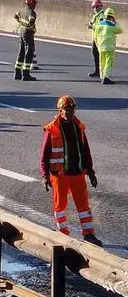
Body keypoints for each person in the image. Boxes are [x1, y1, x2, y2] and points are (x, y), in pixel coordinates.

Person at [39, 95, 102, 246]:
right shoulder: (51, 129)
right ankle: (63, 235)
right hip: (59, 175)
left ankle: (89, 234)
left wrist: (90, 171)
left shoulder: (78, 127)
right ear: (60, 111)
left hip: (78, 173)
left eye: (72, 109)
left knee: (84, 206)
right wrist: (45, 176)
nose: (71, 112)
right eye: (67, 110)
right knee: (60, 207)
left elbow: (85, 150)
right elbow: (44, 155)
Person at [94, 7, 122, 85]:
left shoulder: (99, 24)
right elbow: (120, 30)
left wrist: (97, 45)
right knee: (108, 63)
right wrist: (115, 22)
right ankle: (106, 77)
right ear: (112, 16)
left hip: (101, 47)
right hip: (109, 47)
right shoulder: (112, 25)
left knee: (101, 62)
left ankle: (102, 76)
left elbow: (95, 36)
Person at [13, 0, 38, 81]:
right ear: (32, 3)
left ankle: (17, 73)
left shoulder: (22, 10)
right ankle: (26, 74)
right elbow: (31, 20)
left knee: (21, 52)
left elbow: (15, 15)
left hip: (21, 32)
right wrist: (30, 26)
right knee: (29, 52)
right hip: (28, 33)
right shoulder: (32, 13)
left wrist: (21, 22)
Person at [87, 0, 106, 78]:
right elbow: (91, 22)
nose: (95, 9)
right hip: (95, 38)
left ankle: (101, 72)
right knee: (95, 54)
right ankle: (97, 71)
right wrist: (90, 24)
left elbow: (102, 26)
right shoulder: (96, 16)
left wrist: (92, 26)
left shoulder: (102, 16)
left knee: (99, 55)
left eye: (97, 7)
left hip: (100, 38)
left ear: (101, 6)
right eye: (93, 7)